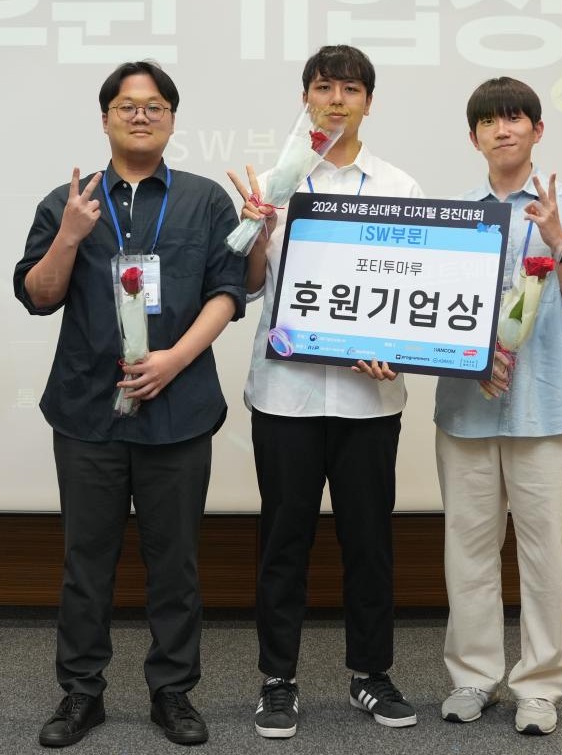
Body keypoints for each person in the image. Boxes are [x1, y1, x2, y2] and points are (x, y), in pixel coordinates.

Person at [15, 60, 245, 748]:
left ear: (172, 119)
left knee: (175, 562)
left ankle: (172, 691)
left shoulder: (205, 200)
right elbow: (38, 296)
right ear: (105, 117)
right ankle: (81, 692)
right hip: (88, 409)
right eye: (126, 105)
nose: (140, 115)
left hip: (180, 408)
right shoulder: (68, 200)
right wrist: (70, 234)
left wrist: (174, 360)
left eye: (154, 106)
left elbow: (228, 292)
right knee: (86, 560)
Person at [227, 45, 423, 739]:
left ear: (369, 101)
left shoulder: (399, 184)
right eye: (323, 87)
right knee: (284, 540)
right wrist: (260, 225)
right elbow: (249, 284)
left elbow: (415, 284)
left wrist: (398, 349)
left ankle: (371, 673)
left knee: (369, 540)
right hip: (288, 394)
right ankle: (277, 680)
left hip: (371, 399)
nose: (336, 100)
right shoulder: (276, 182)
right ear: (305, 98)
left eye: (350, 89)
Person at [431, 77, 562, 737]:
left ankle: (539, 686)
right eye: (489, 121)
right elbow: (432, 318)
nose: (502, 130)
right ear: (474, 137)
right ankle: (473, 676)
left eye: (515, 119)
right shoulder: (453, 215)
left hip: (545, 408)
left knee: (544, 557)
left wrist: (560, 241)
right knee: (468, 551)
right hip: (466, 411)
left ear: (538, 131)